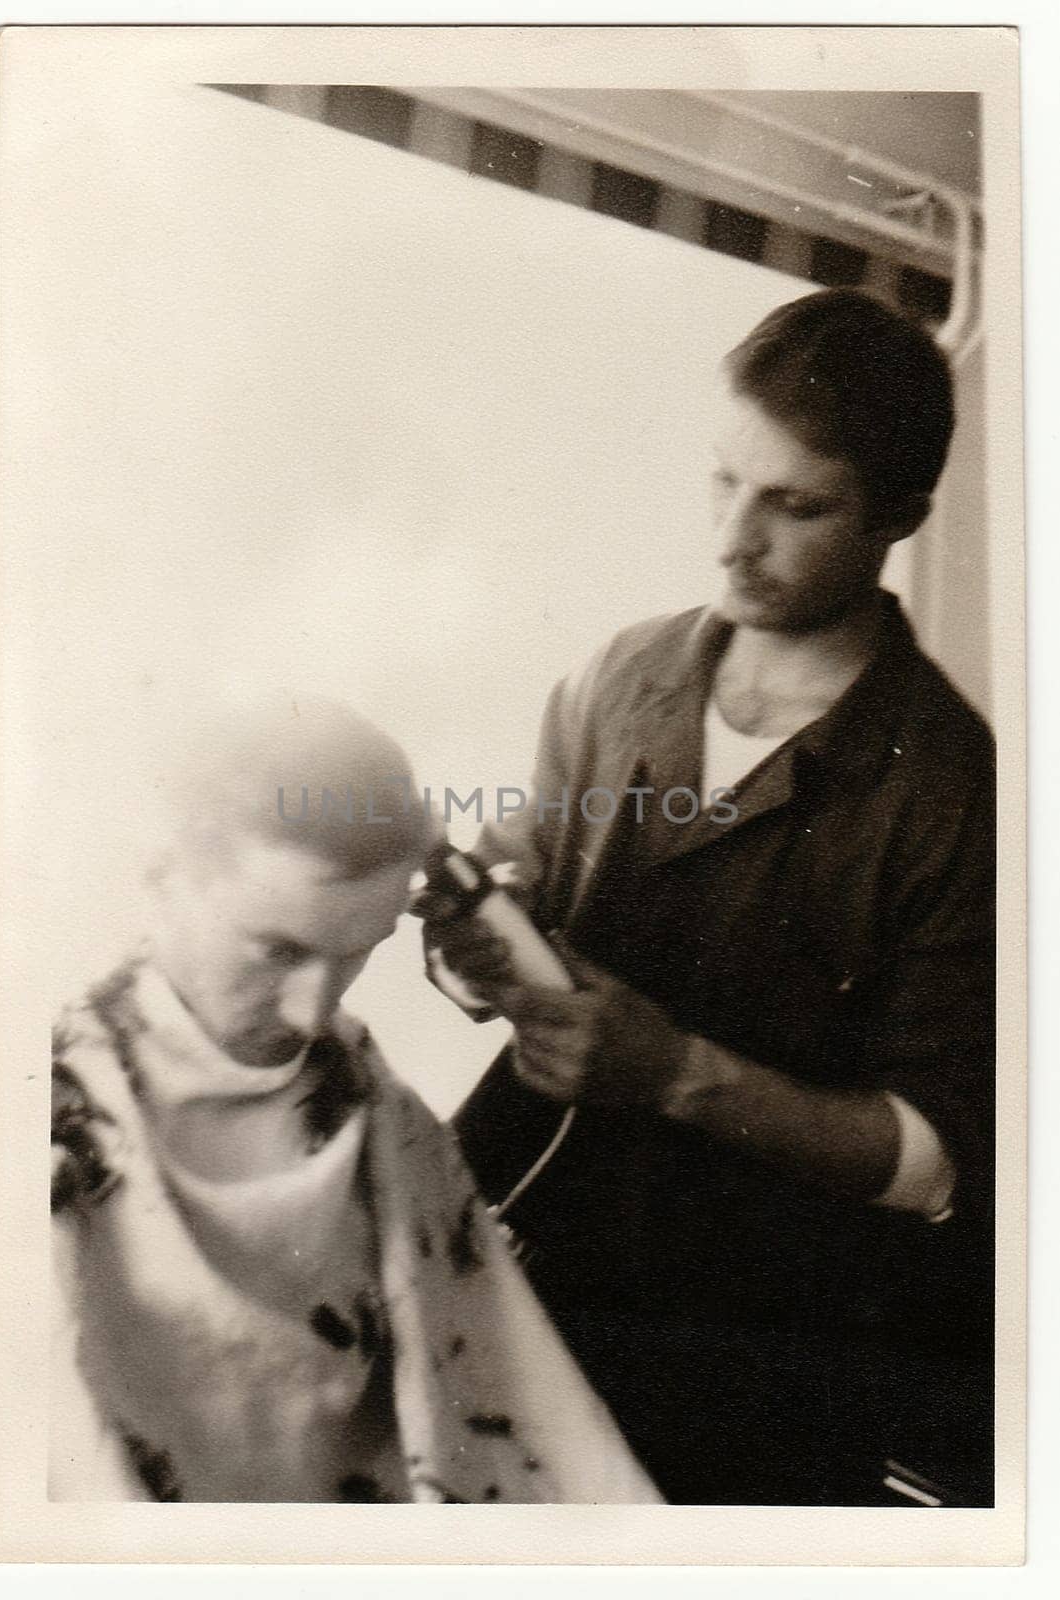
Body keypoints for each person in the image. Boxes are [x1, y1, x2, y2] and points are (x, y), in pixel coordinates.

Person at [425, 289, 996, 1506]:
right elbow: (531, 868)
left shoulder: (958, 790)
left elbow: (934, 1161)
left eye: (796, 506)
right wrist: (475, 950)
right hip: (509, 1256)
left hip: (741, 1363)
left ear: (900, 516)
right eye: (723, 481)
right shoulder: (618, 672)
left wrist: (676, 1069)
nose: (735, 539)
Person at [49, 695, 659, 1504]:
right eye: (278, 951)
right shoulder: (37, 1110)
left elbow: (540, 1425)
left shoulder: (361, 1088)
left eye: (356, 954)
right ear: (161, 874)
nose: (312, 1011)